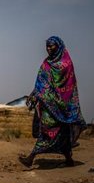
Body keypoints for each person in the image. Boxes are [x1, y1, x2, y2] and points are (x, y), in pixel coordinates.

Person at [19, 36, 85, 168]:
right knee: (51, 129)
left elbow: (69, 86)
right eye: (47, 46)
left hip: (63, 105)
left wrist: (58, 98)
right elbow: (41, 83)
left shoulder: (66, 64)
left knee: (56, 131)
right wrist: (33, 94)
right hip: (48, 104)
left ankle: (33, 157)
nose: (48, 48)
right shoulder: (46, 63)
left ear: (59, 46)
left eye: (51, 46)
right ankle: (64, 159)